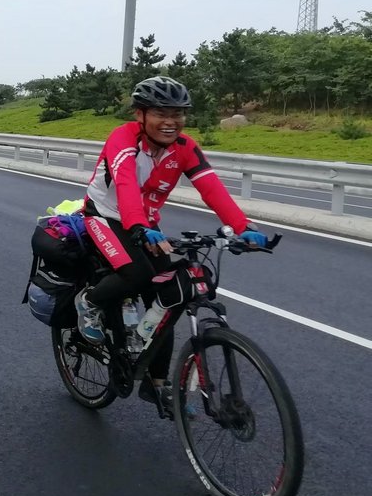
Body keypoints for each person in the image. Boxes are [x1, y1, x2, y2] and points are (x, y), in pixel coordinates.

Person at [74, 75, 268, 417]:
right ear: (141, 114)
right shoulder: (123, 139)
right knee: (135, 273)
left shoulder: (185, 147)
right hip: (106, 216)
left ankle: (157, 382)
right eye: (161, 112)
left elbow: (210, 187)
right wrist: (137, 226)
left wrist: (242, 227)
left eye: (178, 113)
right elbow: (126, 184)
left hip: (145, 224)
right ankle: (88, 301)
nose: (171, 121)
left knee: (172, 293)